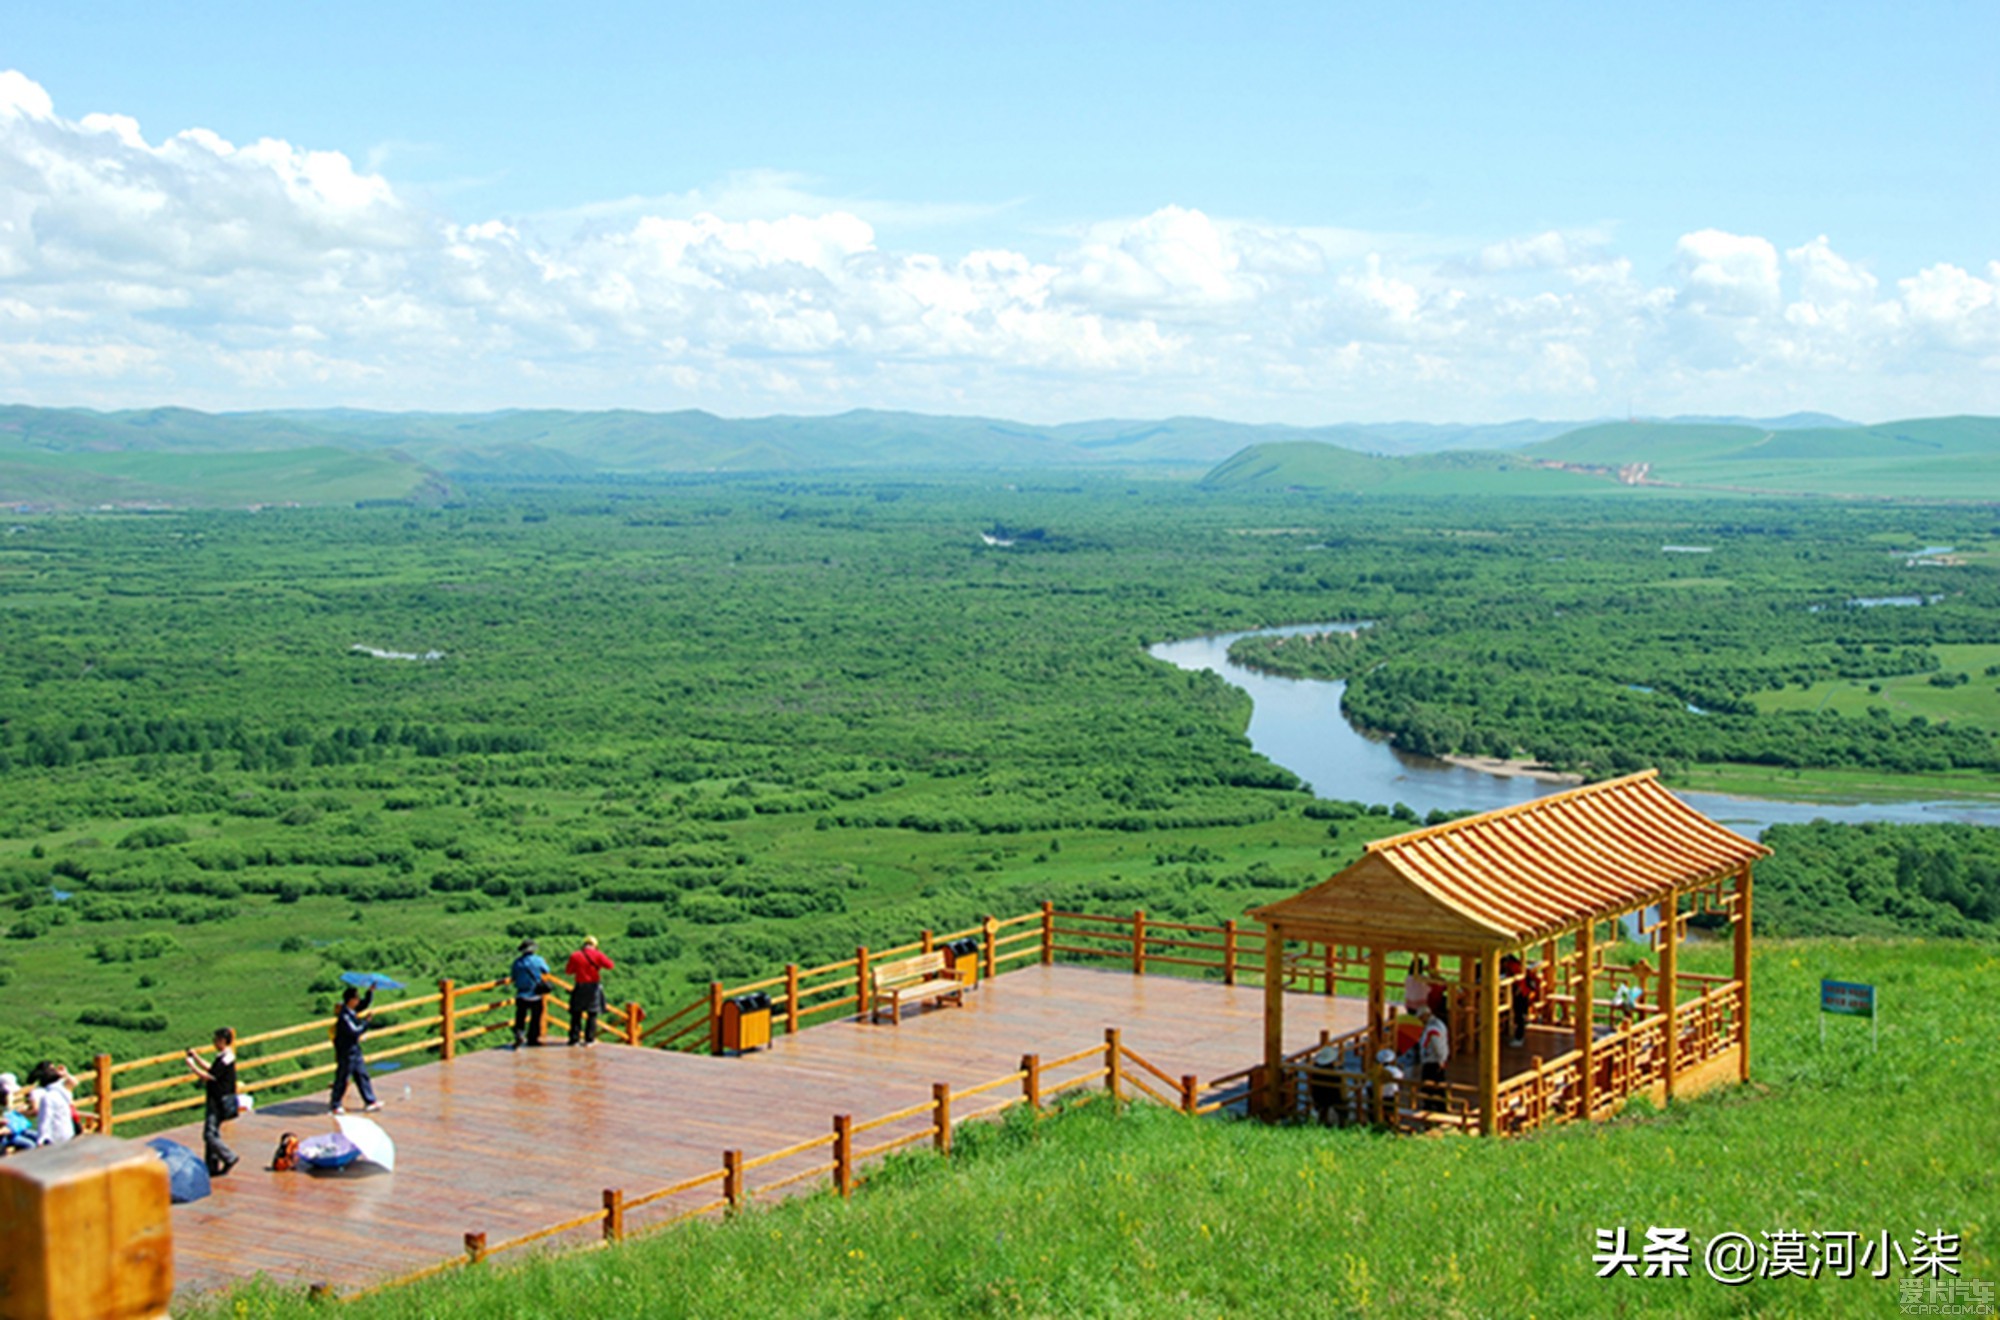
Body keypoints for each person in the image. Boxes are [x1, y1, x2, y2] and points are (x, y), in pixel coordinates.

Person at [184, 1027, 241, 1176]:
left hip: (219, 1100)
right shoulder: (225, 1056)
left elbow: (209, 1077)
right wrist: (196, 1057)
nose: (214, 1042)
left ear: (223, 1041)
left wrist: (192, 1066)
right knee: (213, 1133)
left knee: (209, 1135)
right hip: (218, 1099)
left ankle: (229, 1157)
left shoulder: (226, 1058)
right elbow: (212, 1069)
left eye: (216, 1039)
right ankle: (211, 1166)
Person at [329, 986, 382, 1114]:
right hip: (346, 1051)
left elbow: (364, 1004)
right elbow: (355, 1031)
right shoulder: (344, 1016)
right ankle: (335, 1104)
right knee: (343, 1077)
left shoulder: (351, 1011)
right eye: (357, 998)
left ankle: (370, 1101)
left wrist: (370, 992)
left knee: (362, 1075)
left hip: (354, 1049)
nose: (359, 1000)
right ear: (351, 1000)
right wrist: (366, 1022)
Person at [564, 935, 615, 1047]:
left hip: (580, 986)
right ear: (595, 945)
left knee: (576, 1013)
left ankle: (574, 1039)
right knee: (592, 1013)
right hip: (593, 986)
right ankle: (589, 1039)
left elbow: (568, 971)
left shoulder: (575, 955)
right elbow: (610, 965)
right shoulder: (598, 955)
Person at [510, 939, 551, 1049]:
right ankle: (532, 1039)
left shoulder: (517, 962)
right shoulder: (538, 960)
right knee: (535, 1018)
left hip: (521, 994)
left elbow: (513, 976)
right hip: (535, 994)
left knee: (520, 1016)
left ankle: (519, 1033)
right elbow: (546, 970)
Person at [30, 1062, 76, 1145]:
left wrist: (41, 1138)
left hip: (55, 1135)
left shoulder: (47, 1097)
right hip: (68, 1132)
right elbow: (73, 1082)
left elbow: (45, 1118)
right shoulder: (63, 1092)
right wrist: (65, 1074)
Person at [1416, 1005, 1450, 1113]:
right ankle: (1437, 1105)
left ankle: (1432, 1105)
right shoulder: (1438, 1024)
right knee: (1437, 1084)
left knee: (1431, 1084)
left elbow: (1437, 1045)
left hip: (1432, 1061)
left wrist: (1440, 1060)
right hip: (1436, 1059)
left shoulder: (1433, 1029)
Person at [1, 1073, 36, 1153]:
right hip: (8, 1136)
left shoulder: (9, 1104)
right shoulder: (5, 1106)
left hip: (16, 1130)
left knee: (37, 1137)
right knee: (30, 1145)